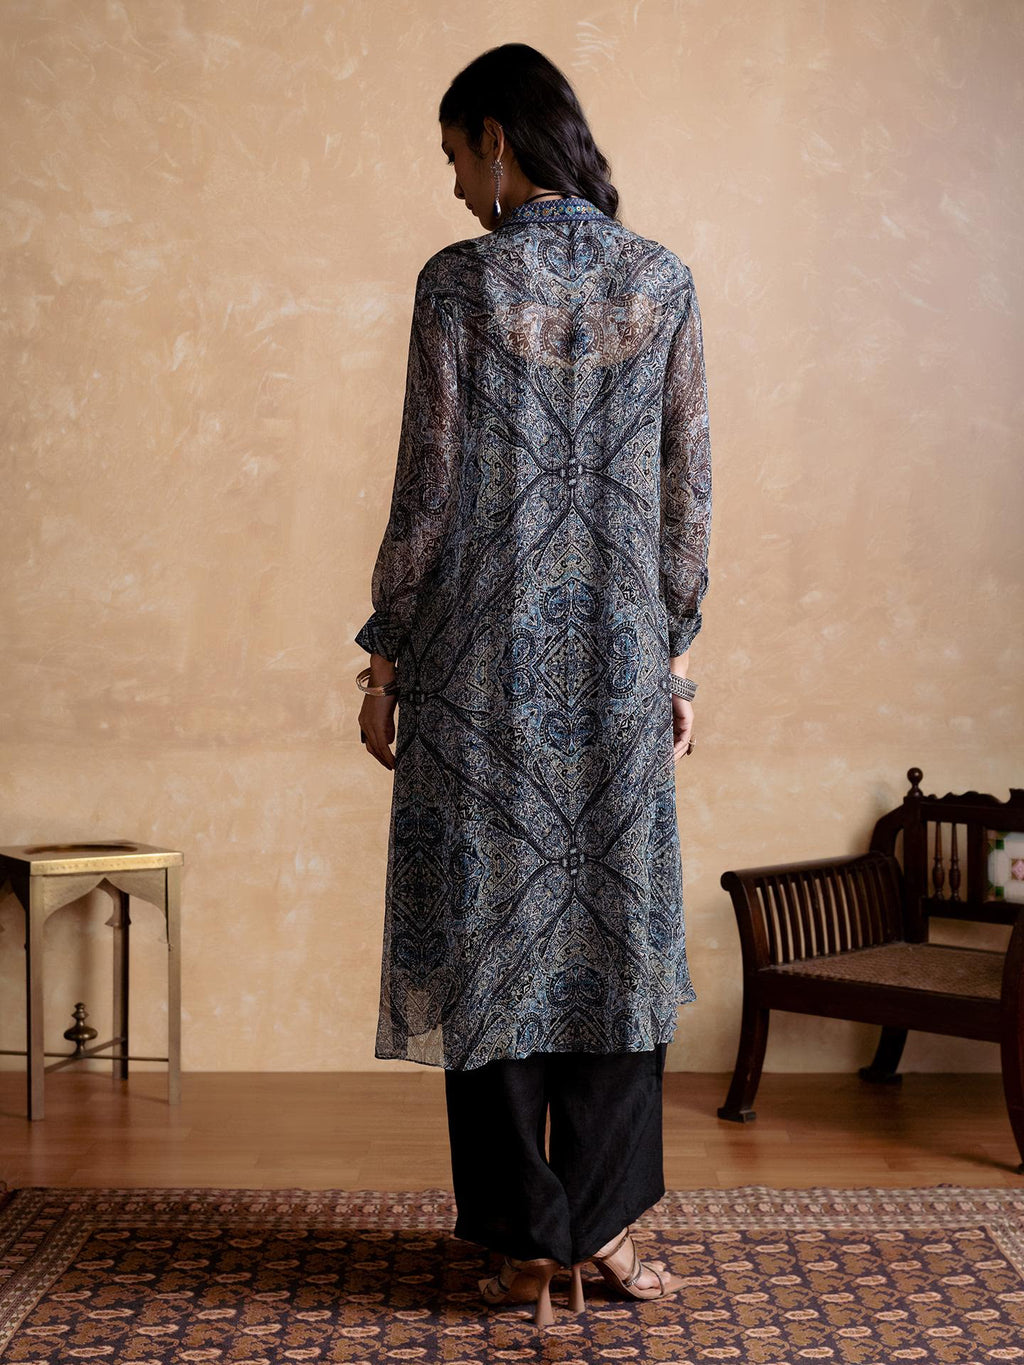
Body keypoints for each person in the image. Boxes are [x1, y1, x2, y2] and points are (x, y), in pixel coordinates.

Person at [355, 43, 711, 1328]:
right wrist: (674, 651)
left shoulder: (458, 286)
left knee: (493, 944)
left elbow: (425, 488)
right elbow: (690, 491)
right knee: (613, 943)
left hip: (475, 676)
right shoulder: (659, 281)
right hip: (613, 670)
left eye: (455, 154)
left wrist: (386, 651)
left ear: (497, 138)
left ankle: (523, 1242)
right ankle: (603, 1228)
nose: (455, 188)